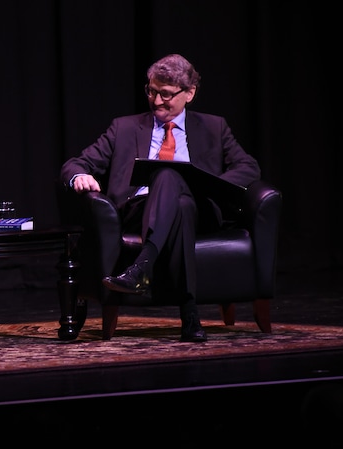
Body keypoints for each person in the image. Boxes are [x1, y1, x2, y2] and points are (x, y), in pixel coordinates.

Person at [59, 53, 261, 342]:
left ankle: (142, 267)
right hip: (140, 210)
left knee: (178, 187)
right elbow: (75, 163)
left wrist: (208, 185)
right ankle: (189, 315)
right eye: (151, 91)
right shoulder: (124, 128)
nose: (156, 101)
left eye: (165, 94)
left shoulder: (214, 127)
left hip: (201, 209)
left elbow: (248, 166)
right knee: (170, 182)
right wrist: (79, 176)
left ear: (189, 93)